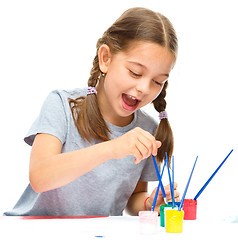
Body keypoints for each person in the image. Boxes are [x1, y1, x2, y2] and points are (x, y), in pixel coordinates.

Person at [4, 7, 180, 216]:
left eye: (157, 81)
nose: (144, 88)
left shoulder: (146, 129)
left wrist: (150, 203)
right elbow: (40, 177)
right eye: (135, 72)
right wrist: (112, 148)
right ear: (106, 58)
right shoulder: (62, 105)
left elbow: (133, 197)